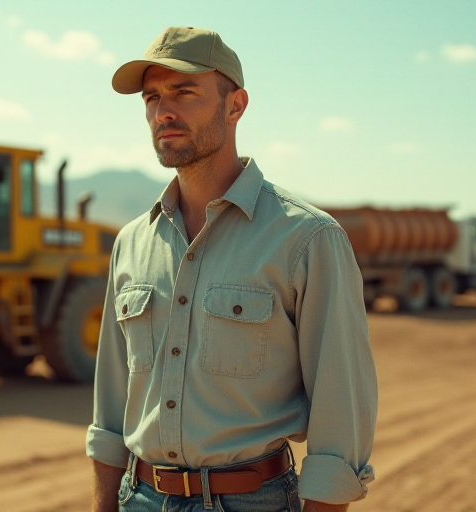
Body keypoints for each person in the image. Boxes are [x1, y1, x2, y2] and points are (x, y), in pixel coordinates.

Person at [87, 27, 378, 512]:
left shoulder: (306, 238)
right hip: (137, 498)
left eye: (184, 92)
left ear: (235, 105)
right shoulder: (132, 242)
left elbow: (341, 413)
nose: (163, 112)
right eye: (152, 97)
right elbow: (111, 407)